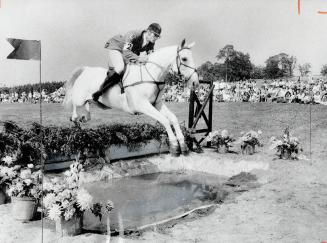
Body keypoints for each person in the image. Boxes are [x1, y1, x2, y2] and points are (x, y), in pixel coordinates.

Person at [92, 23, 162, 102]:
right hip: (116, 47)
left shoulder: (151, 42)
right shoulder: (133, 35)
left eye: (158, 36)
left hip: (128, 52)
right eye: (155, 35)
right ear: (148, 32)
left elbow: (149, 56)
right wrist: (139, 58)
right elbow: (126, 52)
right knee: (120, 68)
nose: (156, 38)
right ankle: (99, 92)